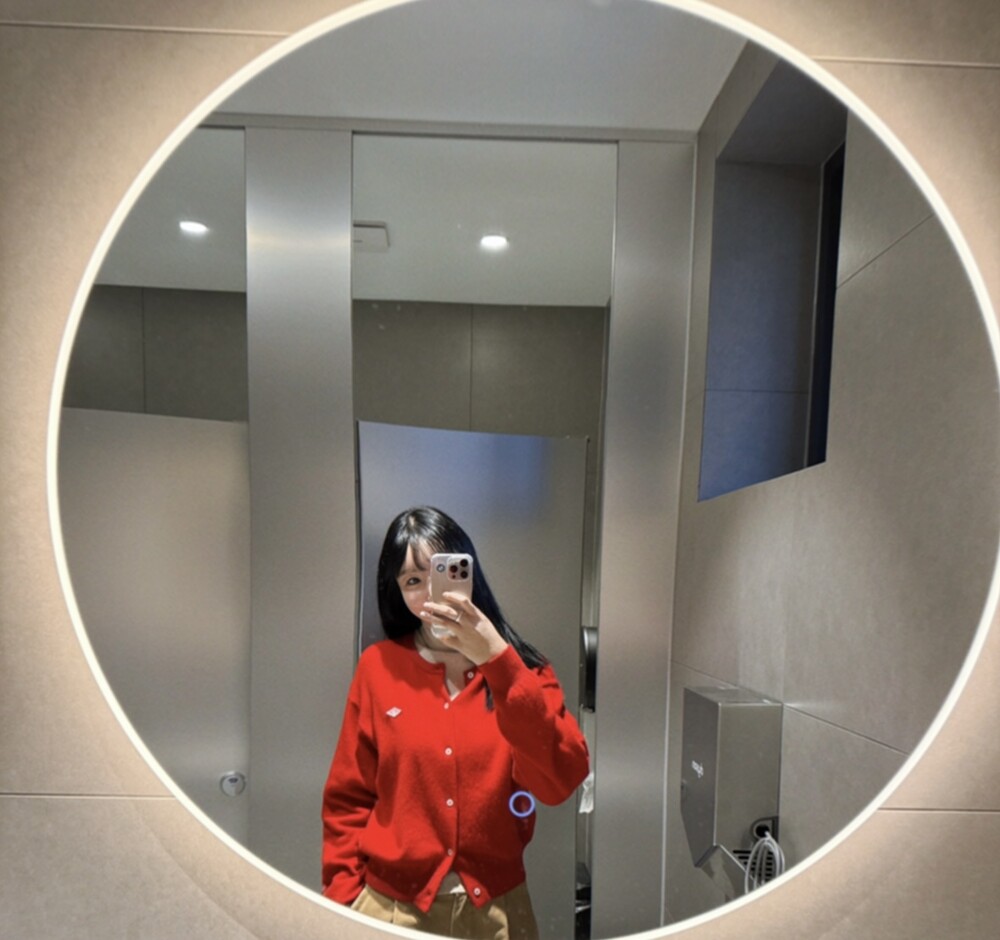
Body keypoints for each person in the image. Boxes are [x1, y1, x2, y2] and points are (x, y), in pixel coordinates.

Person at [322, 506, 590, 939]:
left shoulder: (524, 670)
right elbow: (348, 798)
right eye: (412, 581)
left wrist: (497, 661)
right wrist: (342, 903)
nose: (430, 593)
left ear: (468, 571)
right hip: (389, 911)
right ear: (397, 592)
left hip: (498, 914)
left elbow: (560, 781)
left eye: (441, 572)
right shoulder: (378, 667)